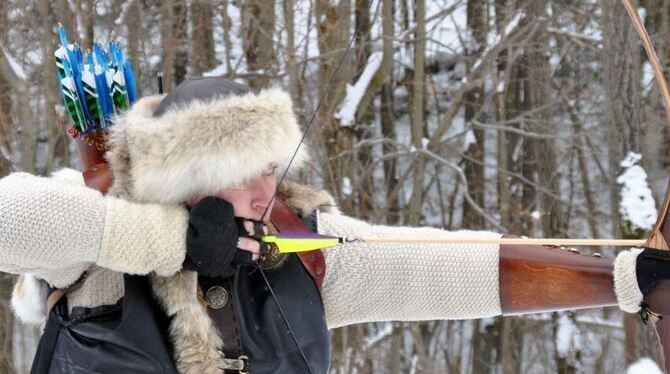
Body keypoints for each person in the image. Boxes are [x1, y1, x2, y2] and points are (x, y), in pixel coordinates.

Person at [0, 77, 668, 374]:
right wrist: (167, 242)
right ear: (190, 174)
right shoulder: (97, 258)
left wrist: (624, 277)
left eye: (272, 165)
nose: (268, 186)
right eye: (247, 169)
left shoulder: (300, 252)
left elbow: (440, 267)